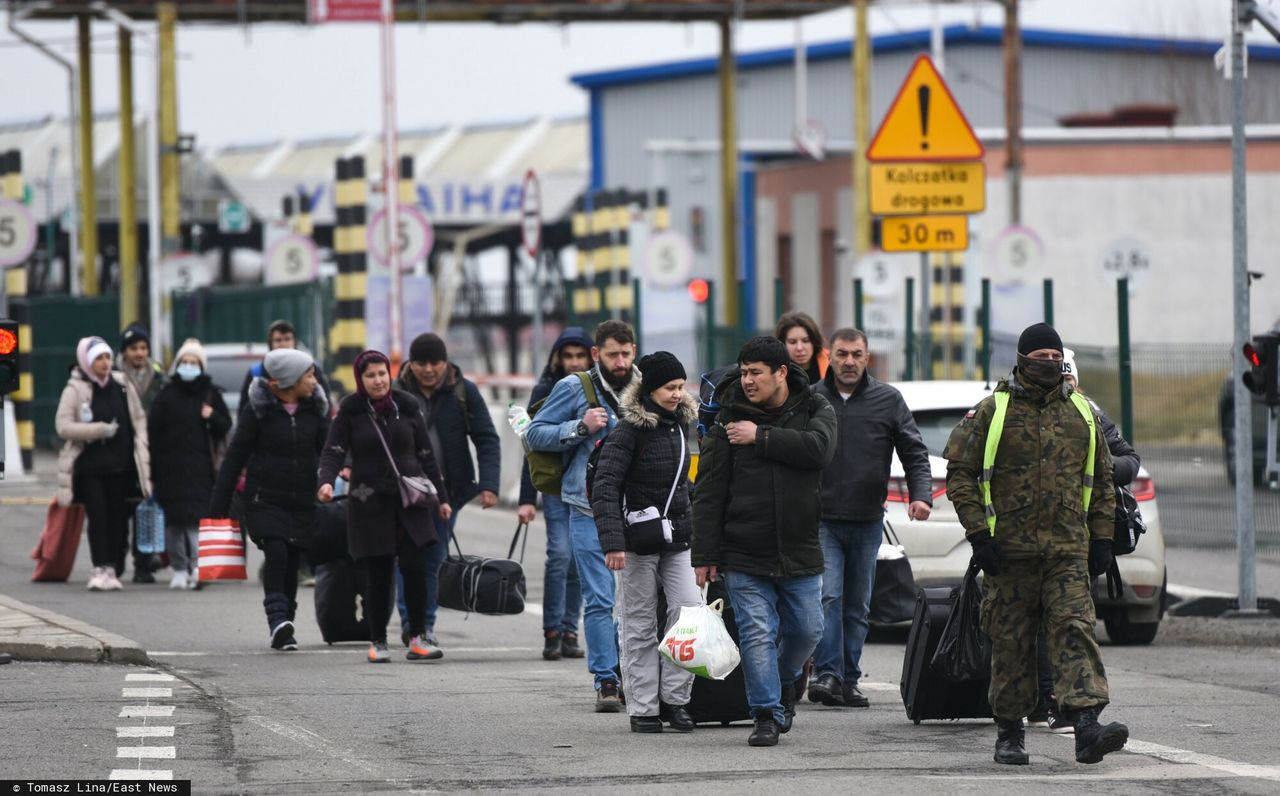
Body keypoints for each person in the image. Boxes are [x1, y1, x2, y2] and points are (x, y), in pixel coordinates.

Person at [944, 322, 1127, 766]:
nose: (1048, 363)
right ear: (1022, 360)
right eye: (1039, 356)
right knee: (1011, 644)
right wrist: (978, 534)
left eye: (1054, 356)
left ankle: (1086, 726)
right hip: (1008, 554)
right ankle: (1009, 733)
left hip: (1067, 553)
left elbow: (1102, 482)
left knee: (1075, 631)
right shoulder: (993, 411)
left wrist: (1101, 538)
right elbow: (960, 475)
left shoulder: (1081, 413)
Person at [692, 336, 837, 747]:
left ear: (781, 373)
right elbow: (709, 491)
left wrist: (761, 437)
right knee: (756, 631)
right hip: (743, 550)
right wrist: (704, 554)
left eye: (756, 373)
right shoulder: (727, 419)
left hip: (800, 547)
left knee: (808, 630)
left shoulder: (813, 407)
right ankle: (766, 713)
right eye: (744, 372)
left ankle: (784, 680)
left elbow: (820, 449)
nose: (748, 381)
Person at [808, 328, 932, 709]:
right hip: (823, 518)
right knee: (828, 596)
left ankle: (848, 679)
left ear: (867, 357)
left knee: (858, 604)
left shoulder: (887, 399)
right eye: (842, 354)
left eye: (856, 354)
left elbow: (914, 451)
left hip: (867, 519)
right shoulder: (813, 398)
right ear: (830, 355)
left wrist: (921, 495)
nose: (848, 361)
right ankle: (827, 674)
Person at [525, 320, 640, 712]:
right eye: (612, 354)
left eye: (626, 353)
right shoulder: (575, 387)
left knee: (638, 601)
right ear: (597, 354)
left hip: (638, 509)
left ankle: (636, 676)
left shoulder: (648, 389)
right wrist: (579, 426)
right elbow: (534, 433)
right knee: (599, 598)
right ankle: (607, 679)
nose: (620, 361)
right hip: (586, 507)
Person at [1029, 347, 1142, 732]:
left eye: (1068, 377)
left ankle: (1066, 707)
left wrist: (1101, 468)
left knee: (1069, 623)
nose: (1063, 385)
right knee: (1027, 623)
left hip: (1077, 538)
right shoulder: (1016, 411)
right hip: (1024, 539)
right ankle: (1034, 703)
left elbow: (1129, 459)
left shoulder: (1090, 414)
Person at [590, 351, 701, 734]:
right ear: (650, 388)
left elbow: (686, 485)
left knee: (689, 613)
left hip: (679, 538)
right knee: (639, 623)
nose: (677, 393)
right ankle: (643, 706)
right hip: (638, 541)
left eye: (680, 386)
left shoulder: (685, 425)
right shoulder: (627, 431)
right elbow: (605, 487)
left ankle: (676, 700)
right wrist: (612, 544)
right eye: (670, 387)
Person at [318, 350, 453, 663]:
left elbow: (426, 454)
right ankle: (377, 641)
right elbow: (333, 452)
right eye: (370, 376)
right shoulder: (350, 410)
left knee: (416, 569)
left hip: (411, 501)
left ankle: (418, 637)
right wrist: (326, 481)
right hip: (369, 502)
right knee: (377, 574)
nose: (378, 381)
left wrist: (443, 498)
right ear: (360, 379)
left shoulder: (407, 405)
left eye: (382, 374)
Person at [210, 348, 329, 651]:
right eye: (309, 375)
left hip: (302, 500)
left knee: (291, 561)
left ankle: (285, 625)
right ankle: (277, 619)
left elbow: (329, 451)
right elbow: (235, 457)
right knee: (276, 552)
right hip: (265, 500)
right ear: (290, 380)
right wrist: (218, 506)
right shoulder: (258, 410)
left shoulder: (315, 410)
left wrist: (333, 477)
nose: (315, 381)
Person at [392, 333, 501, 656]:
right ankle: (412, 623)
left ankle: (423, 624)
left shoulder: (462, 391)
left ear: (445, 362)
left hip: (447, 493)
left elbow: (487, 438)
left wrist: (490, 485)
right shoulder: (396, 393)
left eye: (435, 362)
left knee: (433, 558)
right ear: (410, 363)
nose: (429, 369)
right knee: (405, 559)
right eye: (421, 363)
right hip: (403, 491)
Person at [55, 336, 153, 591]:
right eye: (98, 358)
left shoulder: (121, 384)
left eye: (107, 357)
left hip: (120, 465)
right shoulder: (76, 388)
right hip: (91, 467)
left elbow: (138, 418)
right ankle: (99, 567)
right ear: (87, 361)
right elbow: (63, 426)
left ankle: (113, 567)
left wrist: (141, 445)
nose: (105, 363)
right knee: (97, 517)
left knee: (118, 519)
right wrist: (98, 430)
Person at [517, 327, 591, 661]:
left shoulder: (596, 390)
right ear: (558, 358)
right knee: (559, 555)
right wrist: (525, 499)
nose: (574, 362)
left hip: (588, 488)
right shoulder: (547, 389)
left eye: (580, 355)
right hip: (555, 487)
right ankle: (552, 631)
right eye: (568, 356)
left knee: (577, 560)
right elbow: (530, 445)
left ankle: (569, 630)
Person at [148, 339, 233, 590]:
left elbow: (225, 427)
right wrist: (153, 471)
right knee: (174, 523)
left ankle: (198, 566)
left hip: (201, 469)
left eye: (193, 362)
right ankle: (179, 568)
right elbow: (154, 434)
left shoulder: (210, 395)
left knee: (198, 522)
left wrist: (211, 417)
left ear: (201, 366)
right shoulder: (166, 396)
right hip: (170, 470)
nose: (188, 366)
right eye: (184, 361)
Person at [116, 322, 167, 583]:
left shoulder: (158, 379)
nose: (139, 353)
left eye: (143, 347)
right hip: (122, 453)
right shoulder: (114, 377)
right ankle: (115, 561)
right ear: (124, 351)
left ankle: (143, 564)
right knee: (118, 513)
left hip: (150, 453)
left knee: (146, 510)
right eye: (134, 348)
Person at [237, 319, 330, 415]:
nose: (283, 344)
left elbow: (326, 406)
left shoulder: (312, 369)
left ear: (295, 342)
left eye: (287, 339)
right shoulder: (257, 373)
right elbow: (244, 411)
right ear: (270, 344)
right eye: (278, 340)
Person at [775, 312, 828, 386]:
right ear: (783, 344)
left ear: (814, 341)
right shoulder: (774, 370)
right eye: (792, 342)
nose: (799, 348)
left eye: (805, 341)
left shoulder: (831, 362)